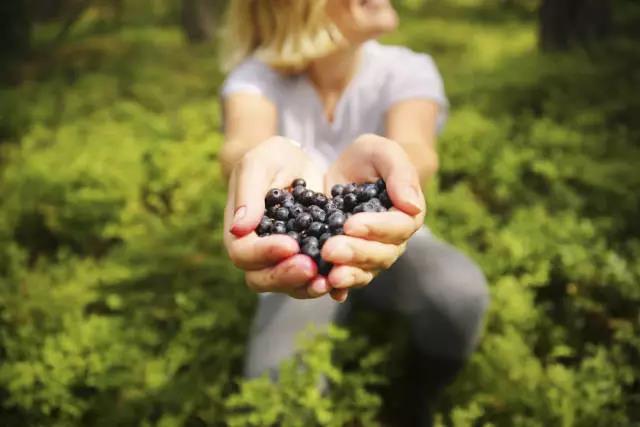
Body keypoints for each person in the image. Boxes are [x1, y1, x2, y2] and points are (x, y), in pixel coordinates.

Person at [218, 0, 489, 424]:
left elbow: (418, 149)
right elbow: (242, 142)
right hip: (298, 256)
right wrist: (253, 162)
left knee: (460, 296)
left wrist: (394, 169)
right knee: (279, 390)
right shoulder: (256, 78)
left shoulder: (406, 68)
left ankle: (415, 398)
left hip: (385, 232)